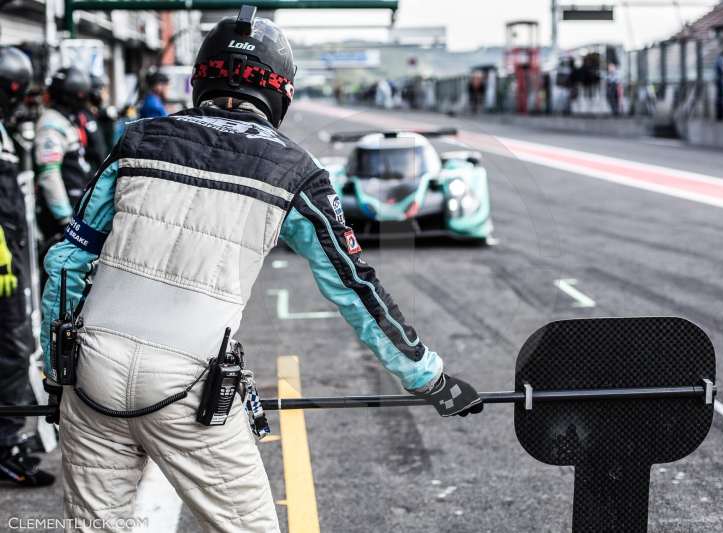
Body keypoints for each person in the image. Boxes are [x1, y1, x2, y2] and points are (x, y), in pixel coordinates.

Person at [40, 6, 482, 530]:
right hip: (188, 386)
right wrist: (427, 377)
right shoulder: (298, 172)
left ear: (200, 77)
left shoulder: (137, 140)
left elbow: (67, 261)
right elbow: (355, 287)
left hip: (91, 372)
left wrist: (57, 374)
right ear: (281, 94)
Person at [0, 46, 54, 487]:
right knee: (14, 350)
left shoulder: (6, 130)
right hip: (5, 267)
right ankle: (5, 445)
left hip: (15, 256)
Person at [34, 67, 93, 252]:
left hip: (75, 210)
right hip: (61, 219)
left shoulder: (66, 120)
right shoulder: (52, 124)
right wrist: (65, 218)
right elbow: (49, 174)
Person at [76, 74, 111, 173]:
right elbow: (98, 149)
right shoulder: (84, 116)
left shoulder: (94, 114)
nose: (106, 95)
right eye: (103, 90)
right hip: (90, 174)